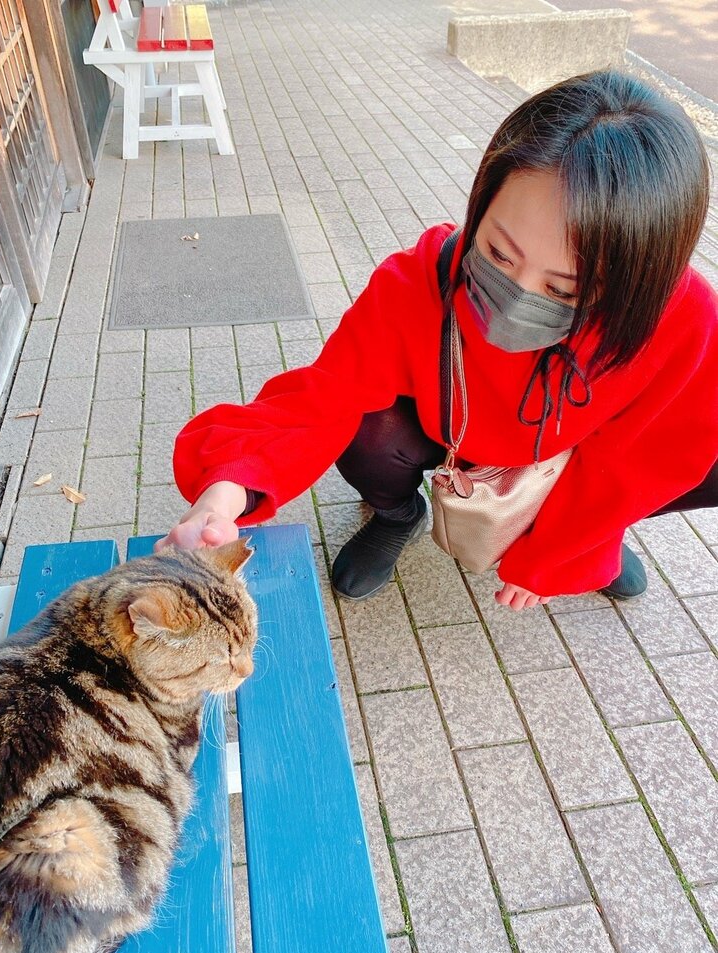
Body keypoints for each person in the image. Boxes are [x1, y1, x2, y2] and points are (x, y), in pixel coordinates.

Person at [156, 70, 718, 611]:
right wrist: (228, 489)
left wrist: (558, 558)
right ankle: (397, 515)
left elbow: (645, 459)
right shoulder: (425, 277)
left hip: (572, 447)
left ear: (641, 280)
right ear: (480, 206)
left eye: (564, 290)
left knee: (702, 458)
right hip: (454, 432)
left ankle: (598, 545)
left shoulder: (682, 318)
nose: (516, 297)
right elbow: (322, 396)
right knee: (368, 428)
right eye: (498, 254)